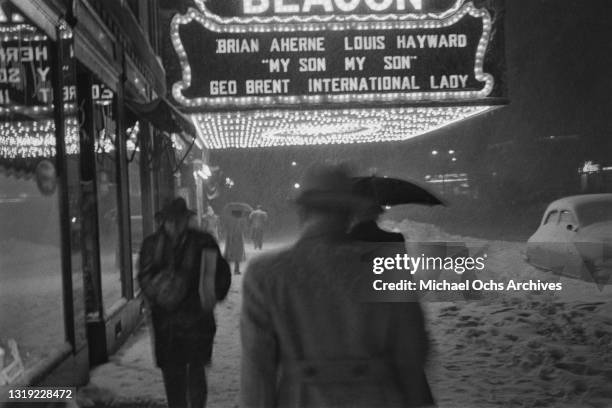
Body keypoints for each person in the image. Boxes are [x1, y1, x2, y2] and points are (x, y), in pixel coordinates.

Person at [240, 164, 434, 408]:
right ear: (348, 214)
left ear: (303, 213)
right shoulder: (386, 268)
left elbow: (257, 370)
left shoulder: (265, 275)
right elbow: (412, 351)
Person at [138, 198, 231, 408]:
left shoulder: (204, 242)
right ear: (163, 221)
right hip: (167, 325)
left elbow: (221, 275)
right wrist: (162, 289)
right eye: (170, 220)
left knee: (196, 375)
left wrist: (211, 294)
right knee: (173, 379)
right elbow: (144, 277)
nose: (175, 224)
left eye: (179, 219)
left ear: (185, 220)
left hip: (197, 322)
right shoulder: (152, 245)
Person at [222, 208, 247, 274]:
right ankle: (236, 270)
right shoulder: (239, 220)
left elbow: (225, 227)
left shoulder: (229, 220)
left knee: (229, 254)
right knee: (237, 255)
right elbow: (241, 229)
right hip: (237, 239)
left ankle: (226, 270)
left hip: (229, 238)